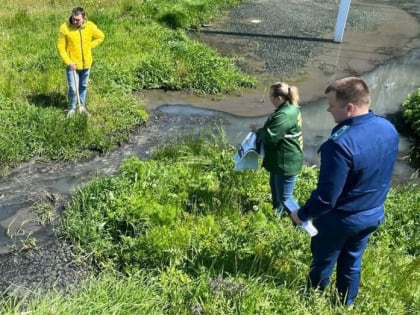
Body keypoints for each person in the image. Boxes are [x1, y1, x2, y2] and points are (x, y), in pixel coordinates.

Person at [290, 77, 399, 305]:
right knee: (352, 262)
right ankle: (344, 304)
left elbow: (327, 198)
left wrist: (301, 214)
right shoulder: (388, 128)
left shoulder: (340, 145)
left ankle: (312, 301)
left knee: (323, 261)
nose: (328, 109)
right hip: (372, 213)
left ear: (349, 108)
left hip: (340, 220)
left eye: (331, 105)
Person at [250, 82, 303, 216]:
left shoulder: (284, 114)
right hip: (278, 159)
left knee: (285, 198)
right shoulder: (290, 108)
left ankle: (304, 223)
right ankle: (276, 216)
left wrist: (260, 132)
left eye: (271, 96)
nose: (269, 99)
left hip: (286, 161)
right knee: (275, 189)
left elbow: (270, 137)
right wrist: (261, 130)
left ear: (279, 98)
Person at [57, 7, 105, 117]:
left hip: (86, 64)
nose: (74, 21)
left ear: (83, 18)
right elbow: (61, 48)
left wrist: (89, 46)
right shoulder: (64, 28)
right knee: (73, 89)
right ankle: (71, 108)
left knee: (83, 86)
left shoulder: (90, 26)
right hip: (72, 65)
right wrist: (69, 62)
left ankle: (81, 107)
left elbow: (101, 36)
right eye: (73, 19)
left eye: (77, 20)